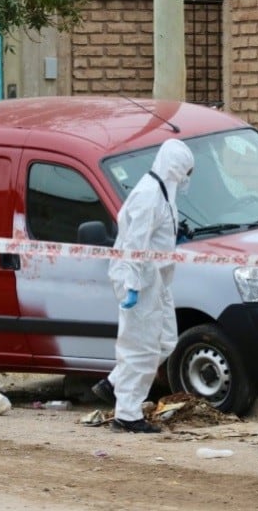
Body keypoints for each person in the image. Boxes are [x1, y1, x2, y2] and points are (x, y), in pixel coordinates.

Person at [92, 138, 194, 432]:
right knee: (140, 347)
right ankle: (128, 413)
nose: (187, 178)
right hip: (141, 280)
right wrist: (133, 284)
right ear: (175, 167)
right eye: (186, 171)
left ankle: (113, 384)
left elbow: (155, 232)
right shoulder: (150, 194)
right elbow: (135, 243)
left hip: (156, 278)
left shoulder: (162, 191)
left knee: (165, 340)